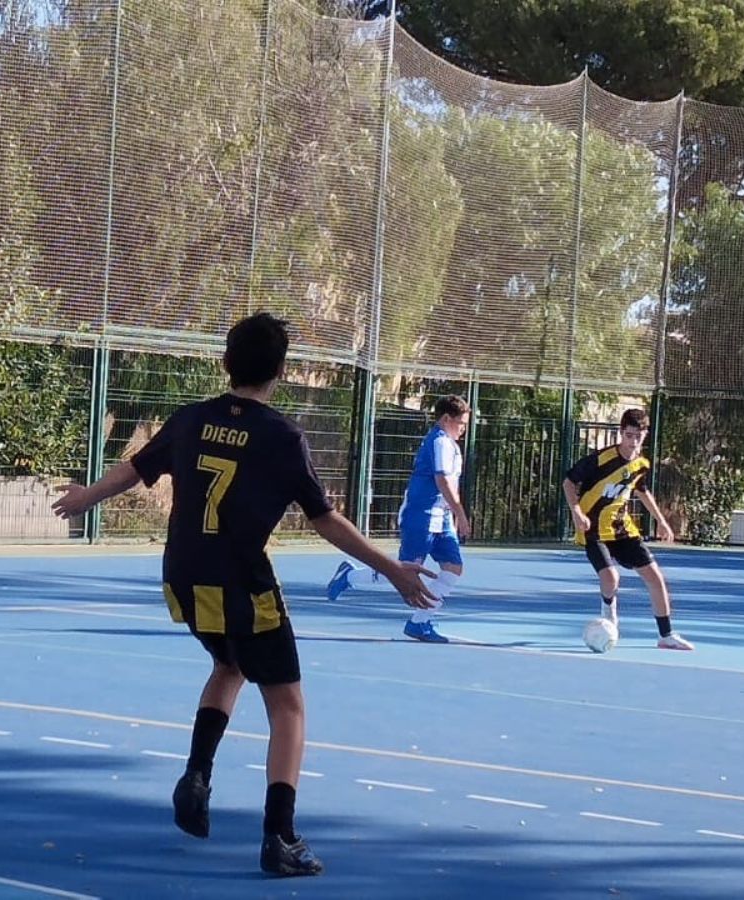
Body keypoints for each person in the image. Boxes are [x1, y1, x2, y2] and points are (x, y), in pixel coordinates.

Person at [51, 312, 436, 878]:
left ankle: (197, 774)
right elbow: (325, 520)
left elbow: (136, 468)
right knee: (288, 705)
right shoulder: (281, 436)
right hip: (239, 579)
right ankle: (279, 836)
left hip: (182, 574)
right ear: (281, 370)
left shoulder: (190, 419)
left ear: (225, 361)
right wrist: (391, 568)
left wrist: (86, 498)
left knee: (229, 663)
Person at [325, 395, 471, 643]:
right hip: (421, 516)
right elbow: (443, 481)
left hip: (442, 518)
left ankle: (420, 621)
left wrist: (452, 515)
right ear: (446, 419)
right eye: (461, 423)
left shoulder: (451, 444)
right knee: (405, 572)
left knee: (453, 569)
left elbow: (450, 485)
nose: (463, 429)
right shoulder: (439, 442)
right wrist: (462, 514)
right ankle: (350, 576)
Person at [561, 407, 693, 651]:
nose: (633, 442)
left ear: (645, 435)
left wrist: (661, 521)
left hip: (622, 528)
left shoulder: (641, 463)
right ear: (621, 434)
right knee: (612, 577)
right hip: (592, 528)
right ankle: (609, 611)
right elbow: (568, 482)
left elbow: (641, 491)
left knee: (655, 577)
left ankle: (666, 635)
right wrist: (576, 512)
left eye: (638, 436)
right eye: (629, 435)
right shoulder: (601, 460)